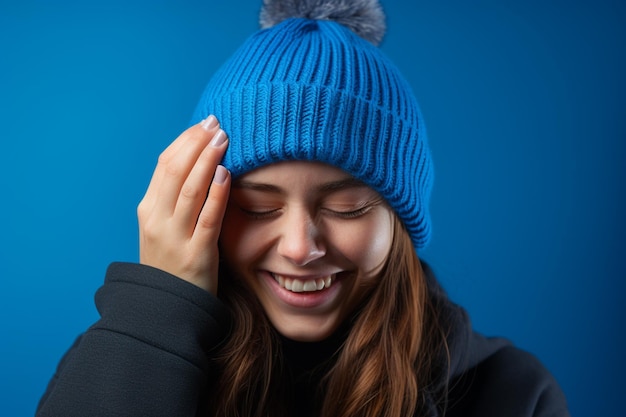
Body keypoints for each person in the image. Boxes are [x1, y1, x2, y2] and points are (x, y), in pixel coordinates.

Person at [36, 0, 570, 416]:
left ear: (399, 222)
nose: (299, 248)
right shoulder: (127, 359)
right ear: (205, 210)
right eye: (256, 207)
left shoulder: (515, 395)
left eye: (349, 207)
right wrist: (157, 308)